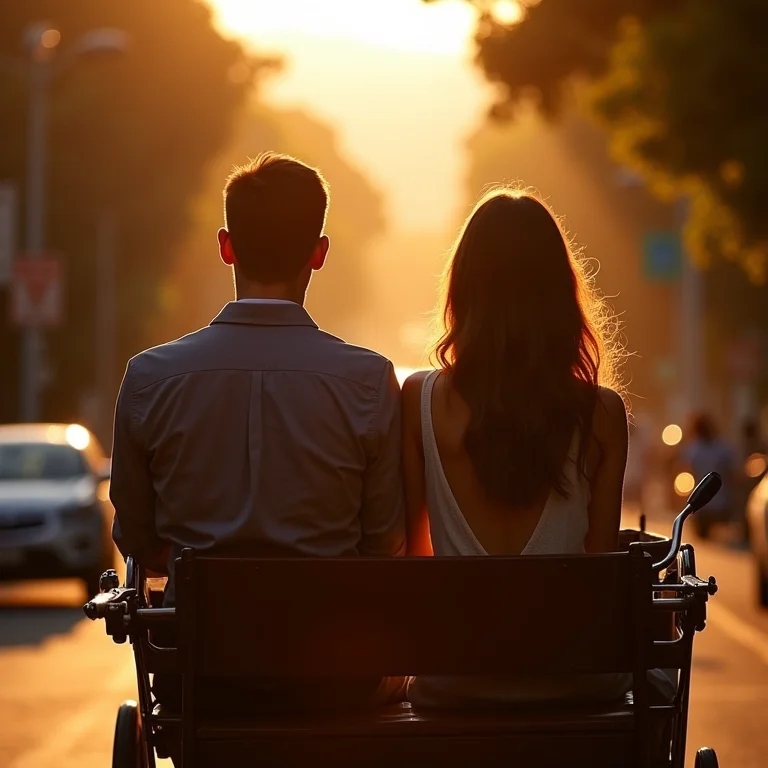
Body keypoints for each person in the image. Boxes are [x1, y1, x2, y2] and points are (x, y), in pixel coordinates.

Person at [109, 152, 406, 725]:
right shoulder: (369, 381)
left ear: (227, 247)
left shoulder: (150, 378)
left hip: (199, 675)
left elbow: (140, 538)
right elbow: (383, 544)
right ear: (318, 254)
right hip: (333, 681)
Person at [401, 188, 675, 708]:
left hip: (455, 684)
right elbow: (598, 576)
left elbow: (417, 566)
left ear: (463, 289)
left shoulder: (419, 401)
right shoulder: (601, 414)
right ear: (560, 294)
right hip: (574, 681)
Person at [679, 413, 735, 539]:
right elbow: (731, 473)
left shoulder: (692, 449)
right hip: (719, 501)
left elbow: (685, 473)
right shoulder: (722, 448)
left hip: (699, 503)